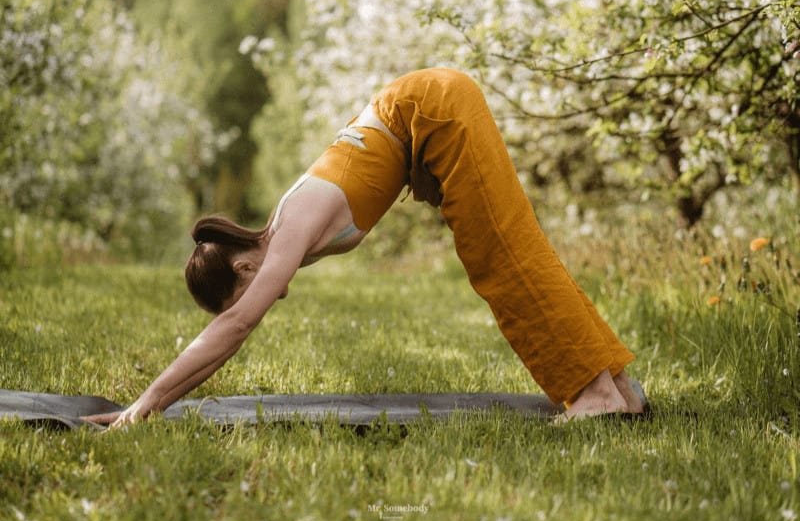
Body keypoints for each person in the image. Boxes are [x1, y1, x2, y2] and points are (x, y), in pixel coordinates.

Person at [87, 68, 644, 428]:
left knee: (502, 253)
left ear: (241, 265)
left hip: (435, 110)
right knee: (510, 245)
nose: (263, 302)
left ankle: (593, 392)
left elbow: (233, 331)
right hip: (429, 118)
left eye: (241, 294)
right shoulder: (284, 231)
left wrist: (145, 405)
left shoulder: (288, 231)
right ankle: (613, 385)